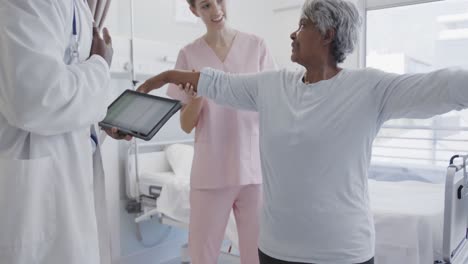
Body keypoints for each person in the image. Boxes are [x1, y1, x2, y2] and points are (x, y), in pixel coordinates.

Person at [137, 0, 468, 263]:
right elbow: (217, 82)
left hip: (342, 253)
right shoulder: (273, 84)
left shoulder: (369, 87)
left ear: (327, 35)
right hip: (276, 250)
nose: (293, 35)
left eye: (303, 26)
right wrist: (165, 75)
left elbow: (440, 86)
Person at [0, 0, 127, 263]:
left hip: (61, 185)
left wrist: (100, 123)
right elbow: (34, 99)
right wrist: (100, 64)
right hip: (33, 198)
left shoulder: (75, 6)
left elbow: (64, 102)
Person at [165, 0, 276, 263]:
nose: (216, 10)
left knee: (258, 255)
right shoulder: (188, 55)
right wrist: (198, 97)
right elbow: (185, 124)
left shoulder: (256, 46)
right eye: (205, 5)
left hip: (252, 171)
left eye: (218, 1)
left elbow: (272, 103)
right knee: (203, 255)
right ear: (194, 11)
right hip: (211, 172)